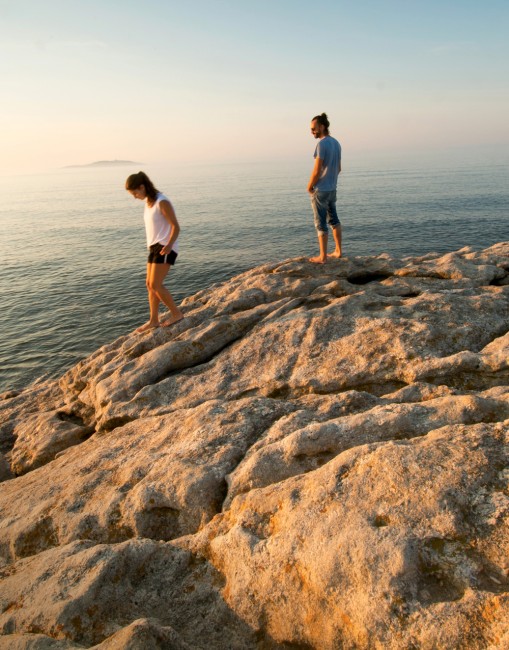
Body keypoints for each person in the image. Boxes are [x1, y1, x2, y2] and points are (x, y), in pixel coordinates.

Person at [125, 171, 184, 332]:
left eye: (135, 192)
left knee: (156, 284)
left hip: (165, 246)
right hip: (154, 246)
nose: (135, 196)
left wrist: (170, 245)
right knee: (149, 285)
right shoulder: (149, 202)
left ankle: (176, 314)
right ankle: (153, 320)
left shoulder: (161, 202)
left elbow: (175, 226)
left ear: (142, 187)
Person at [307, 112, 342, 263]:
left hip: (321, 190)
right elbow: (339, 168)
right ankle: (338, 251)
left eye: (314, 128)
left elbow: (316, 170)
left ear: (322, 127)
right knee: (334, 220)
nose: (312, 131)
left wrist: (310, 186)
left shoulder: (321, 144)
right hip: (332, 188)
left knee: (320, 223)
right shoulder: (336, 143)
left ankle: (322, 257)